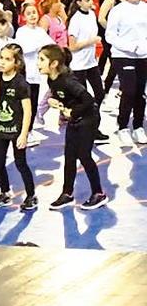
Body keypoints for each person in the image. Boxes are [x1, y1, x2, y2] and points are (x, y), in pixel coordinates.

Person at [40, 44, 107, 210]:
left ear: (54, 63)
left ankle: (99, 194)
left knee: (84, 156)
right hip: (75, 119)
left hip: (88, 118)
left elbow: (88, 99)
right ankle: (67, 194)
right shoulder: (52, 79)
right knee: (69, 157)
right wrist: (57, 103)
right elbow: (63, 97)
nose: (38, 63)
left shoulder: (68, 81)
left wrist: (72, 112)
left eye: (42, 59)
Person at [0, 43, 36, 211]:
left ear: (16, 63)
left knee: (20, 163)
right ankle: (5, 192)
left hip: (16, 130)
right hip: (0, 129)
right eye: (1, 58)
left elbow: (27, 111)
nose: (2, 62)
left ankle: (31, 195)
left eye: (7, 59)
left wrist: (24, 134)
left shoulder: (21, 84)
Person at [105, 0, 147, 146]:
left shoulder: (145, 8)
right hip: (123, 55)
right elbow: (110, 35)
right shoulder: (118, 10)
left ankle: (138, 127)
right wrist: (130, 47)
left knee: (139, 92)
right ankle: (122, 126)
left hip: (143, 56)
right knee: (129, 90)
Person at [15, 0, 53, 137]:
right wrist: (38, 47)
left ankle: (29, 130)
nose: (32, 16)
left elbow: (50, 45)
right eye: (29, 14)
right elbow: (23, 49)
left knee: (34, 102)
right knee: (25, 104)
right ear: (24, 17)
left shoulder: (40, 31)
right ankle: (22, 130)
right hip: (24, 74)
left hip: (36, 74)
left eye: (34, 13)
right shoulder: (21, 31)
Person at [67, 0, 103, 107]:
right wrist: (91, 41)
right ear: (79, 3)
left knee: (100, 93)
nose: (90, 2)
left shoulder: (92, 14)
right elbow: (72, 46)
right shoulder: (75, 20)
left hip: (91, 62)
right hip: (79, 64)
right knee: (82, 97)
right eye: (87, 0)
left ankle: (93, 113)